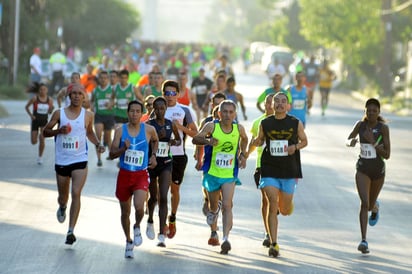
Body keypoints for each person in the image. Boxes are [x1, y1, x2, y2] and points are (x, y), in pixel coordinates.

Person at [43, 83, 105, 246]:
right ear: (69, 96)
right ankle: (62, 206)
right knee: (63, 196)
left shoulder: (88, 115)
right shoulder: (59, 114)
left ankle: (70, 230)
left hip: (80, 159)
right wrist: (58, 131)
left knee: (76, 192)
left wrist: (97, 144)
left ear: (84, 97)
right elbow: (45, 131)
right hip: (62, 160)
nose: (77, 96)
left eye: (80, 94)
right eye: (74, 94)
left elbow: (89, 132)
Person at [251, 91, 308, 257]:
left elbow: (304, 141)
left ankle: (287, 205)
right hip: (269, 168)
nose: (280, 104)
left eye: (284, 101)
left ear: (288, 106)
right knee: (272, 202)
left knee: (283, 209)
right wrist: (256, 142)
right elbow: (260, 140)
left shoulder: (295, 123)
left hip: (289, 170)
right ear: (272, 104)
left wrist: (295, 147)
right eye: (277, 101)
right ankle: (274, 243)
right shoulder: (266, 123)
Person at [192, 100, 248, 255]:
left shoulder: (239, 128)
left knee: (228, 205)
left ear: (235, 114)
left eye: (231, 112)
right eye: (225, 112)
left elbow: (245, 139)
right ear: (219, 113)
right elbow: (195, 139)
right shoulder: (212, 126)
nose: (228, 115)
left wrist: (243, 154)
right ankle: (213, 225)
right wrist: (208, 140)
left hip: (229, 174)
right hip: (212, 173)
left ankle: (225, 238)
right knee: (213, 205)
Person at [109, 100, 159, 259]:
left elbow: (156, 141)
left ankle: (137, 226)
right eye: (132, 111)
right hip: (124, 175)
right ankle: (128, 240)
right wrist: (124, 148)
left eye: (138, 111)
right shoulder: (119, 130)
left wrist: (153, 155)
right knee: (125, 212)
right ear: (127, 113)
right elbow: (111, 154)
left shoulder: (149, 130)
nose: (135, 114)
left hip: (140, 175)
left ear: (141, 113)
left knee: (139, 206)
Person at [346, 98, 390, 254]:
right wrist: (351, 141)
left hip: (378, 171)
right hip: (363, 169)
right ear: (364, 111)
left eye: (374, 111)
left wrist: (374, 143)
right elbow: (348, 138)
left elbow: (387, 154)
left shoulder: (383, 128)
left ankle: (375, 207)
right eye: (368, 110)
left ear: (378, 113)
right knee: (364, 203)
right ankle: (364, 240)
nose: (371, 113)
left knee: (370, 205)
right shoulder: (360, 125)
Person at [163, 80, 198, 239]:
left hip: (178, 155)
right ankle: (162, 221)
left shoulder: (184, 110)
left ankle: (173, 217)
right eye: (167, 93)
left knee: (174, 190)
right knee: (160, 190)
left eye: (173, 93)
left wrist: (180, 128)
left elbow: (195, 133)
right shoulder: (158, 110)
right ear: (163, 94)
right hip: (161, 155)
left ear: (178, 94)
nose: (170, 96)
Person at [146, 97, 181, 247]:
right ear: (153, 108)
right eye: (157, 108)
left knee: (163, 197)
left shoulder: (170, 124)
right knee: (153, 198)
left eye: (162, 108)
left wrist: (173, 141)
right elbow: (143, 142)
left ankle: (162, 233)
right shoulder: (149, 125)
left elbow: (179, 140)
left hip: (166, 163)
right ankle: (150, 220)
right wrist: (155, 139)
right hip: (152, 164)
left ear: (166, 108)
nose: (160, 111)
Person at [194, 92, 226, 246]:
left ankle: (214, 232)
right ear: (212, 105)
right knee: (209, 199)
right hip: (209, 163)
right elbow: (198, 140)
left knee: (223, 201)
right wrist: (199, 158)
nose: (220, 108)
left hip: (226, 168)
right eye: (217, 104)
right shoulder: (207, 122)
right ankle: (209, 201)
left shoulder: (231, 122)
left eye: (223, 104)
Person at [246, 93, 274, 248]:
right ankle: (268, 232)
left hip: (279, 165)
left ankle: (273, 216)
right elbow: (253, 143)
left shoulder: (284, 122)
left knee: (276, 202)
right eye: (267, 103)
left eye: (272, 102)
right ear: (264, 105)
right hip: (261, 165)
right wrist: (245, 155)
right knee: (266, 199)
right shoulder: (258, 122)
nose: (270, 105)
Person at [25, 82, 54, 164]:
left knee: (42, 139)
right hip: (35, 121)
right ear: (39, 91)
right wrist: (31, 115)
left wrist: (51, 109)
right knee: (34, 142)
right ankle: (36, 136)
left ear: (47, 90)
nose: (42, 91)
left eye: (44, 89)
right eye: (41, 90)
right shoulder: (35, 98)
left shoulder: (49, 100)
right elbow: (26, 107)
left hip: (44, 121)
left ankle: (40, 157)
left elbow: (50, 111)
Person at [90, 70, 115, 166]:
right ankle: (99, 159)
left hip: (109, 115)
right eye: (101, 78)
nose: (103, 80)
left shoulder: (112, 89)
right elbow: (92, 101)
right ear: (99, 79)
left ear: (108, 79)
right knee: (98, 136)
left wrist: (111, 104)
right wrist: (91, 107)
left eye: (105, 78)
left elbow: (114, 100)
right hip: (99, 116)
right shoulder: (95, 90)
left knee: (108, 138)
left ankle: (109, 151)